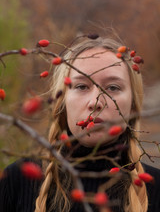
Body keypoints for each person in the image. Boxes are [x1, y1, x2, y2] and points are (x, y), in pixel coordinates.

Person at [0, 35, 160, 212]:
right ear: (62, 102)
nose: (95, 102)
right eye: (82, 86)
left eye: (113, 87)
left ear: (133, 105)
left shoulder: (156, 189)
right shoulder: (15, 181)